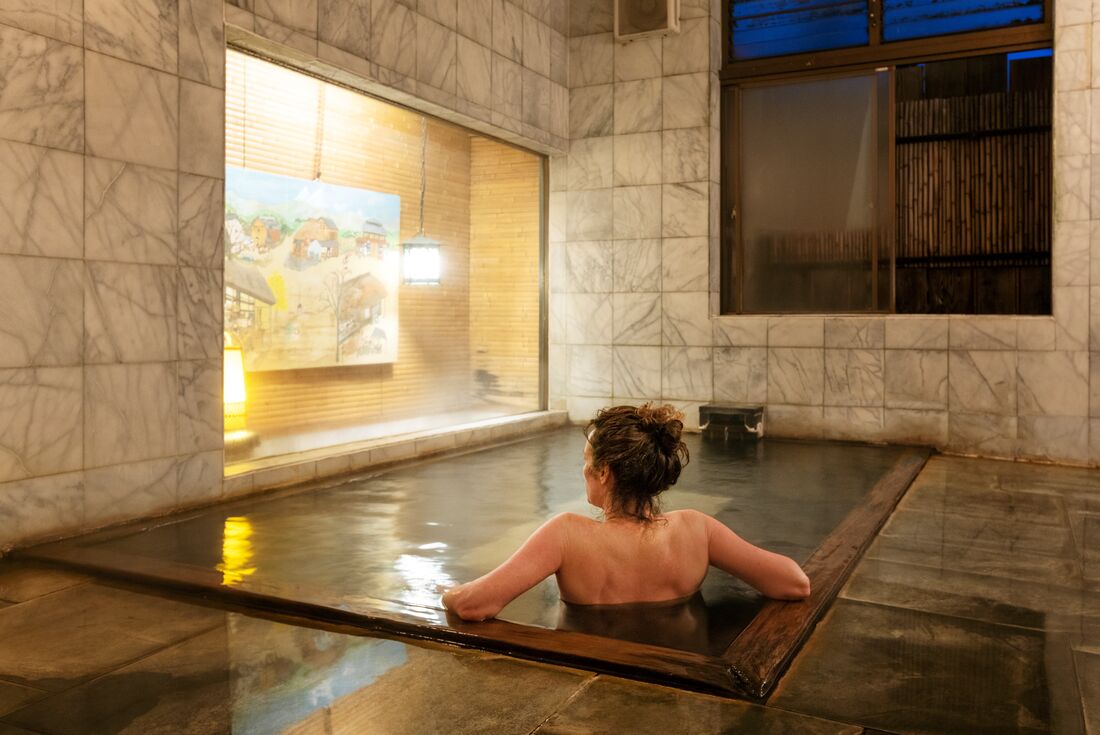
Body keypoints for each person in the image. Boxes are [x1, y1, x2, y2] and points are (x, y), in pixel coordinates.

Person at [441, 404, 811, 622]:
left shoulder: (566, 536)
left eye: (587, 461)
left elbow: (475, 604)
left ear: (604, 472)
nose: (582, 470)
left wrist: (447, 594)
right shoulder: (697, 530)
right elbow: (794, 583)